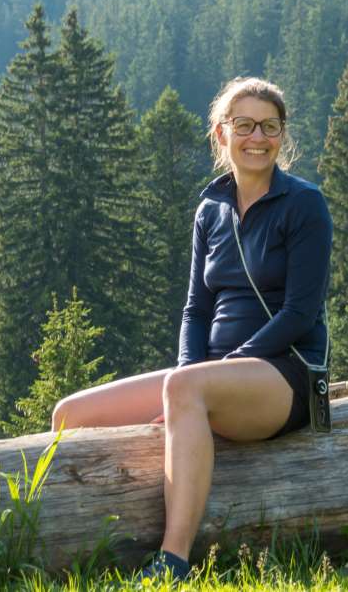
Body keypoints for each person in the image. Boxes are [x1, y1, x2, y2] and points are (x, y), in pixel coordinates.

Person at [50, 76, 333, 580]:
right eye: (243, 125)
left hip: (287, 378)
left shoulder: (304, 204)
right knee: (69, 414)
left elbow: (301, 314)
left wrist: (204, 380)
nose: (257, 137)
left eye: (270, 127)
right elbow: (195, 311)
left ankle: (172, 562)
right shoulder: (211, 210)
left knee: (186, 386)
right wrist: (188, 382)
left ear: (282, 136)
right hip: (208, 379)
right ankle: (68, 549)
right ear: (221, 134)